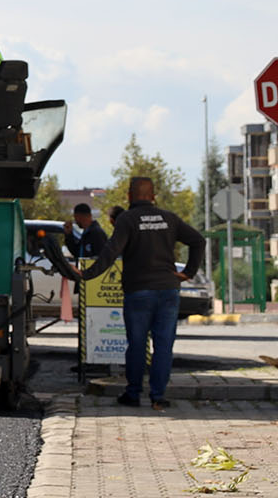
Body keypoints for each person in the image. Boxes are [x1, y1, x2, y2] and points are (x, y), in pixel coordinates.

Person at [75, 176, 207, 410]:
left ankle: (133, 394)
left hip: (139, 292)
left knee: (136, 344)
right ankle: (158, 396)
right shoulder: (169, 218)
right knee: (164, 345)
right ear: (153, 195)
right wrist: (188, 272)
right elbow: (198, 240)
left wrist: (86, 274)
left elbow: (110, 251)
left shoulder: (127, 219)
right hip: (168, 290)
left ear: (129, 196)